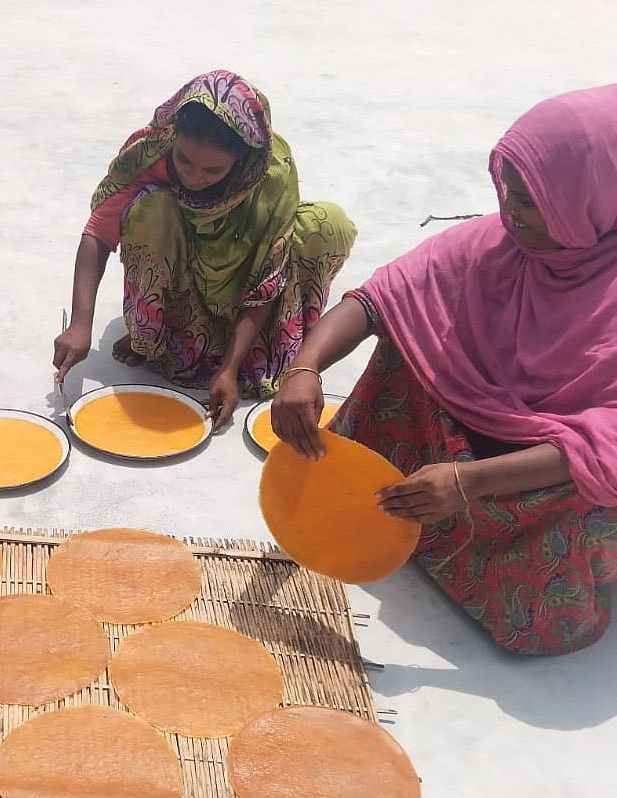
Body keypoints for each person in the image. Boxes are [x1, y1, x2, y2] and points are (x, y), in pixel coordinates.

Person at [271, 85, 617, 655]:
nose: (509, 211)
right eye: (506, 191)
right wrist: (303, 369)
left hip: (543, 471)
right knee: (407, 346)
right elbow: (381, 298)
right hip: (469, 433)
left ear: (591, 200)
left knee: (589, 500)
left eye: (529, 201)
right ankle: (411, 511)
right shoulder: (499, 244)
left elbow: (600, 451)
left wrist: (467, 482)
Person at [52, 70, 356, 426]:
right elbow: (98, 232)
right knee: (151, 208)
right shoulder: (149, 153)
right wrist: (80, 324)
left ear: (242, 158)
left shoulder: (270, 173)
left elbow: (267, 280)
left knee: (327, 223)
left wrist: (229, 369)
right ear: (174, 136)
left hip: (245, 292)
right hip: (185, 282)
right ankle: (155, 339)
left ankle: (246, 350)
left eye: (213, 170)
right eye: (183, 160)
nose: (194, 177)